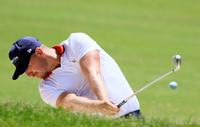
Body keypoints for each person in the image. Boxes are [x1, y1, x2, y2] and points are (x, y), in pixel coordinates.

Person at [9, 32, 141, 118]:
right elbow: (69, 102)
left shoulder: (76, 42)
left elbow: (92, 73)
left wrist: (104, 101)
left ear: (39, 53)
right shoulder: (46, 88)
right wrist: (100, 106)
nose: (28, 74)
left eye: (27, 67)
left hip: (132, 117)